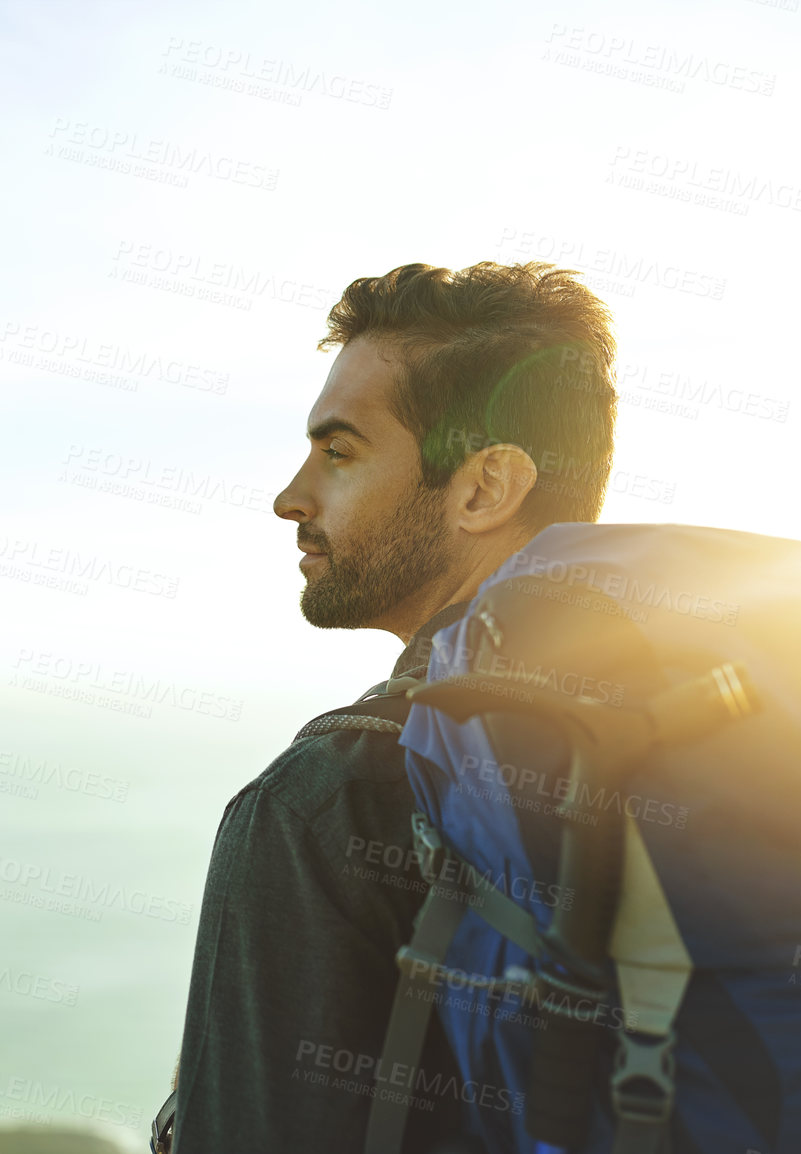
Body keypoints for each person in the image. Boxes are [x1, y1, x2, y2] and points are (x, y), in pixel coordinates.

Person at [158, 261, 620, 1153]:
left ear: (485, 488)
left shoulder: (334, 795)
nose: (291, 496)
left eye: (339, 452)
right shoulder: (737, 729)